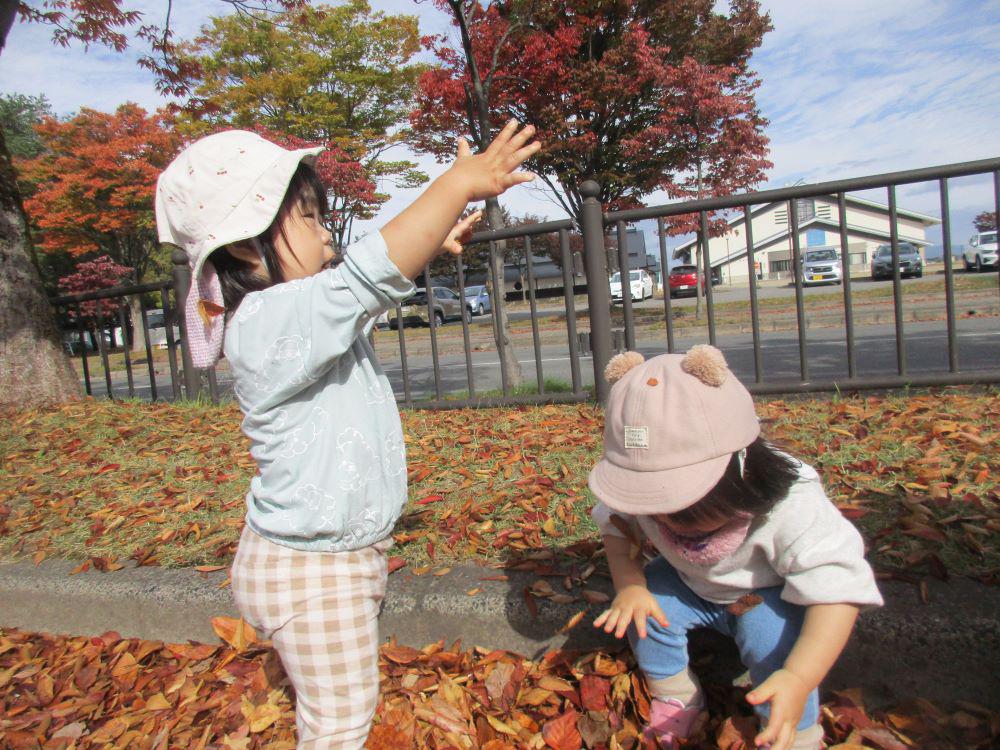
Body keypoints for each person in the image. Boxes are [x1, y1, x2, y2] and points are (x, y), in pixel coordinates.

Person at [155, 122, 540, 748]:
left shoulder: (295, 315)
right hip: (314, 570)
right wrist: (458, 182)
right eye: (308, 219)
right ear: (247, 249)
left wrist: (431, 242)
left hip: (317, 558)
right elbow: (366, 277)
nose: (327, 231)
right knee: (340, 722)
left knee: (332, 708)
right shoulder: (265, 320)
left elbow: (362, 291)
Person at [588, 346, 883, 750]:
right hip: (687, 582)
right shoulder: (641, 490)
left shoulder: (792, 505)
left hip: (766, 592)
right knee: (646, 614)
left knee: (774, 644)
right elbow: (617, 528)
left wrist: (800, 676)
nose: (668, 523)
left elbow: (837, 590)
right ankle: (676, 695)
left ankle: (793, 732)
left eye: (684, 510)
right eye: (653, 509)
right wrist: (630, 586)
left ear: (742, 475)